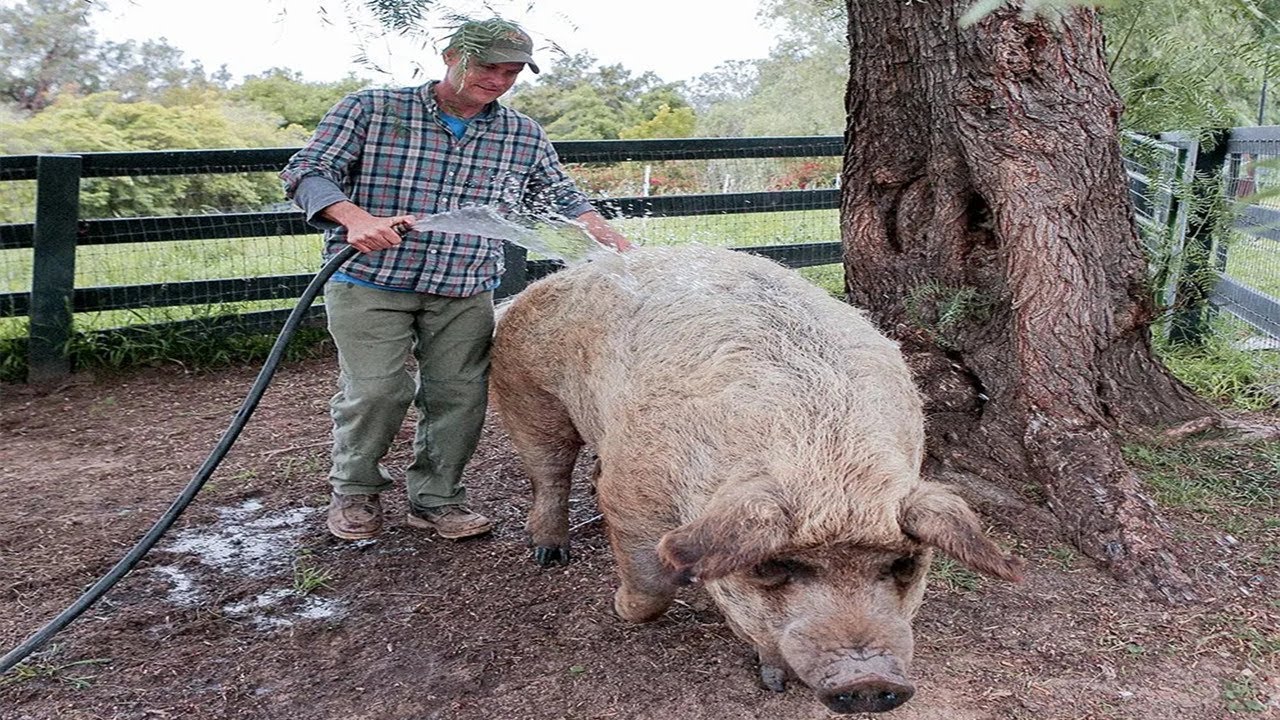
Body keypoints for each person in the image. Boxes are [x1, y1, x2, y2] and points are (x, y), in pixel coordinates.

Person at [280, 18, 632, 542]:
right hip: (370, 278)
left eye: (511, 71)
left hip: (464, 284)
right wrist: (354, 218)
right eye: (488, 66)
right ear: (451, 56)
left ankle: (437, 499)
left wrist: (615, 243)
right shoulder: (372, 109)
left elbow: (563, 196)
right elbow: (306, 171)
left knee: (459, 396)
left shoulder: (521, 133)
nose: (499, 79)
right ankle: (355, 491)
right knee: (377, 389)